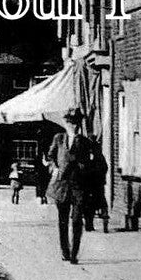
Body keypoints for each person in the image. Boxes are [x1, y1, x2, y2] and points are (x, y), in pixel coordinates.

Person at [46, 108, 96, 264]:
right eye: (69, 122)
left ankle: (74, 254)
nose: (72, 126)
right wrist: (54, 168)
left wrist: (83, 166)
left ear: (79, 124)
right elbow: (51, 156)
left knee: (76, 220)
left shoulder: (85, 142)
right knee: (62, 220)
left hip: (79, 186)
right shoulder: (59, 139)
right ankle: (65, 251)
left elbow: (92, 162)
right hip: (61, 185)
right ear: (65, 123)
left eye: (75, 123)